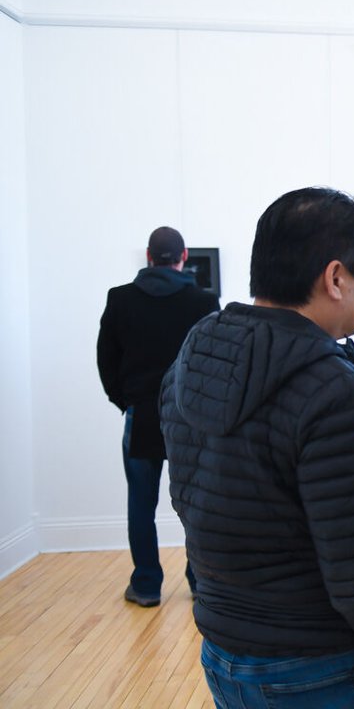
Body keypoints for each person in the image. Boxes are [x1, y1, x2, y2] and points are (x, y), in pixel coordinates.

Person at [160, 188, 354, 707]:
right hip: (321, 665)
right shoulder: (337, 393)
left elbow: (202, 501)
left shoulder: (192, 361)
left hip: (224, 648)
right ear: (336, 278)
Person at [96, 226, 219, 608]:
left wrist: (126, 401)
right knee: (197, 502)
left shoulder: (120, 299)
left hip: (142, 414)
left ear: (149, 257)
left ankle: (147, 585)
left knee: (140, 503)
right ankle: (199, 580)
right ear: (183, 258)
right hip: (190, 417)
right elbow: (215, 359)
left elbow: (106, 359)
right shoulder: (203, 300)